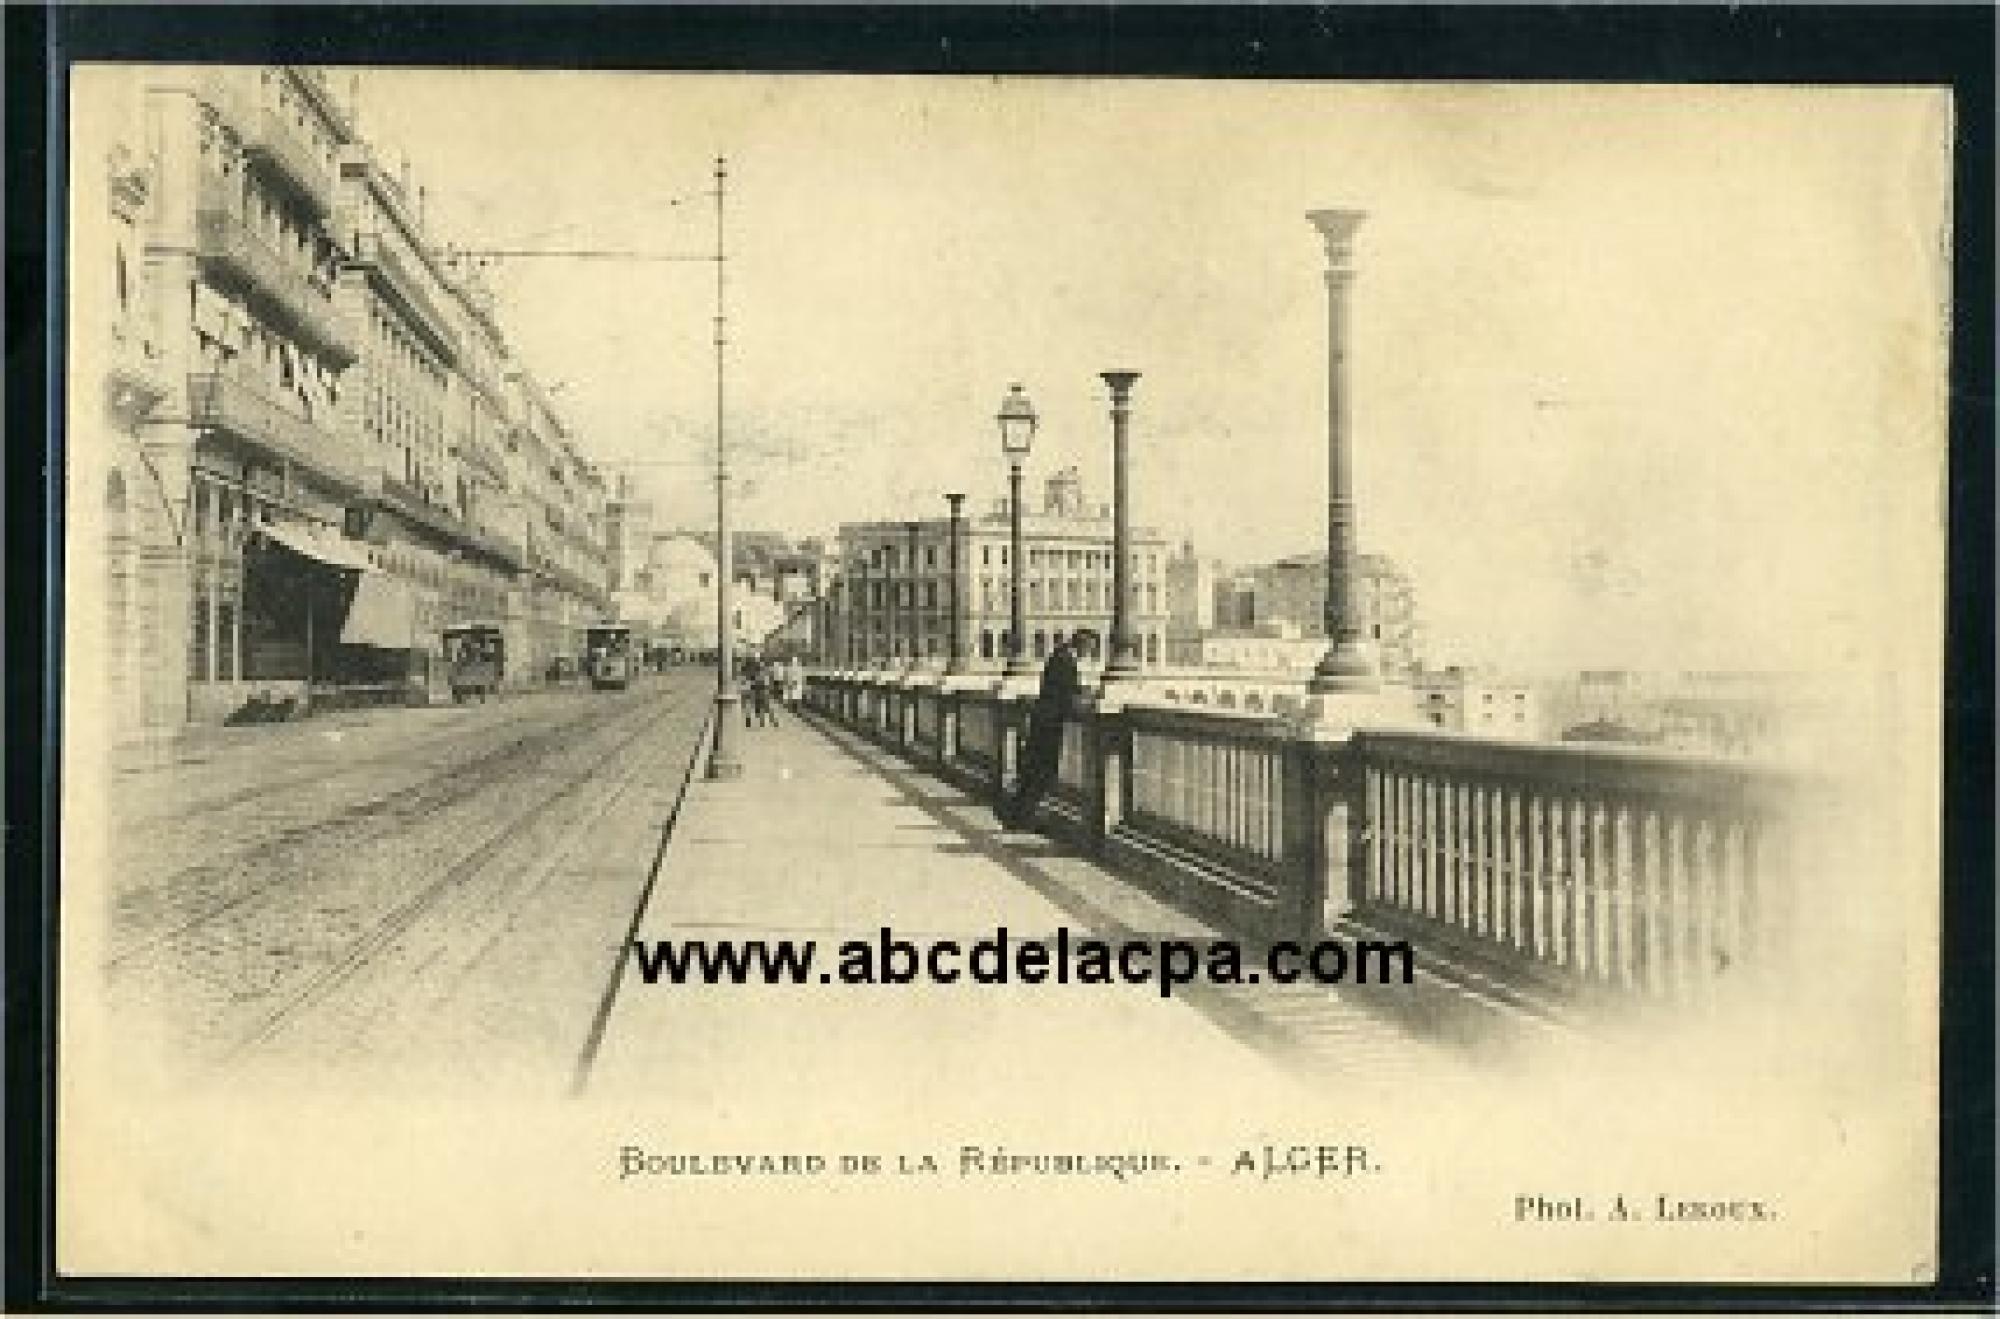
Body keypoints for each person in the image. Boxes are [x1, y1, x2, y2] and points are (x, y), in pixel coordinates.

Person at [998, 631, 1081, 830]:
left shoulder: (1057, 655)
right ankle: (1021, 817)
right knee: (1042, 772)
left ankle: (1017, 816)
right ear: (1083, 644)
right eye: (1090, 647)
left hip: (1042, 719)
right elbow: (1066, 691)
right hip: (1049, 723)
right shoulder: (1065, 659)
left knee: (1032, 771)